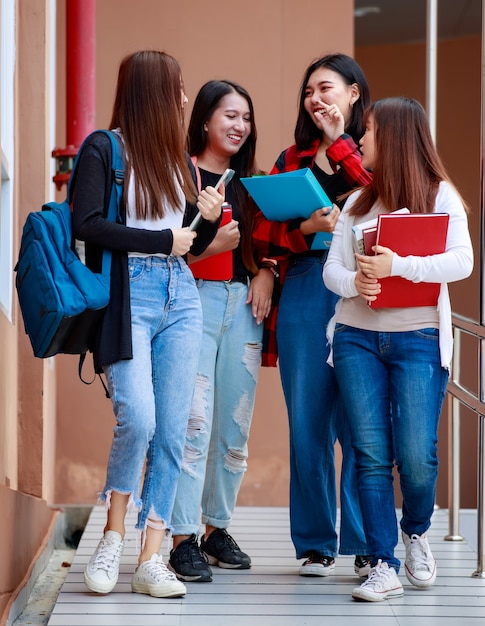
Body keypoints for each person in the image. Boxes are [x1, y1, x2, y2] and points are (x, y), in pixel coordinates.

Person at [72, 51, 224, 598]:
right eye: (178, 89)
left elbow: (190, 249)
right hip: (128, 293)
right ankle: (113, 535)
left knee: (175, 425)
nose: (185, 99)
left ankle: (151, 555)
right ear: (154, 93)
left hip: (180, 295)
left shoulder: (178, 163)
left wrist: (203, 221)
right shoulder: (104, 148)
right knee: (137, 416)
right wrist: (166, 241)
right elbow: (86, 224)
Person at [323, 96, 474, 601]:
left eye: (367, 131)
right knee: (368, 454)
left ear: (396, 137)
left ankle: (414, 530)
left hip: (419, 339)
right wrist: (356, 285)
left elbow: (462, 262)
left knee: (416, 457)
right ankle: (382, 563)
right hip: (356, 338)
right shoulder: (356, 203)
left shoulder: (441, 197)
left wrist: (399, 267)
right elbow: (332, 272)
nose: (360, 140)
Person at [252, 53, 371, 577]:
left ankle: (369, 542)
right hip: (304, 283)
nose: (315, 99)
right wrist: (303, 229)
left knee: (362, 420)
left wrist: (340, 144)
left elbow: (379, 194)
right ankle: (316, 543)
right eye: (308, 91)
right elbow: (264, 231)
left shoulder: (373, 146)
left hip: (359, 286)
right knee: (307, 419)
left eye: (325, 88)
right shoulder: (290, 158)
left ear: (353, 94)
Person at [168, 80, 275, 582]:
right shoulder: (180, 176)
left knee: (234, 426)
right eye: (230, 115)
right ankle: (181, 536)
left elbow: (275, 242)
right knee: (193, 424)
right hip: (193, 303)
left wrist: (266, 271)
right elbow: (168, 251)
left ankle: (216, 529)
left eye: (246, 118)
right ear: (206, 119)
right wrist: (211, 246)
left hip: (244, 307)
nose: (239, 126)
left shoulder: (251, 183)